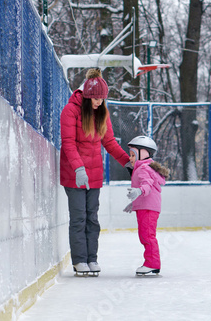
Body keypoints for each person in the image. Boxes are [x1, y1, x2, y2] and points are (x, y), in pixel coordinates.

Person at [60, 68, 130, 276]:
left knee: (92, 218)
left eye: (102, 98)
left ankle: (92, 259)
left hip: (95, 175)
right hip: (74, 174)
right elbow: (68, 143)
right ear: (88, 96)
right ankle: (79, 260)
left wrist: (128, 163)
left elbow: (109, 142)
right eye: (96, 98)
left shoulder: (102, 114)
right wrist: (79, 168)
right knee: (79, 217)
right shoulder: (70, 110)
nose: (99, 102)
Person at [124, 136, 170, 275]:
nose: (130, 158)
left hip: (148, 209)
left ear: (143, 153)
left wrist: (138, 191)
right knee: (145, 235)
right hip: (146, 207)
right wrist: (134, 203)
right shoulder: (143, 168)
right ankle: (152, 263)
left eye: (133, 154)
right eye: (130, 155)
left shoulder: (144, 169)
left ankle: (152, 264)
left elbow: (147, 186)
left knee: (147, 236)